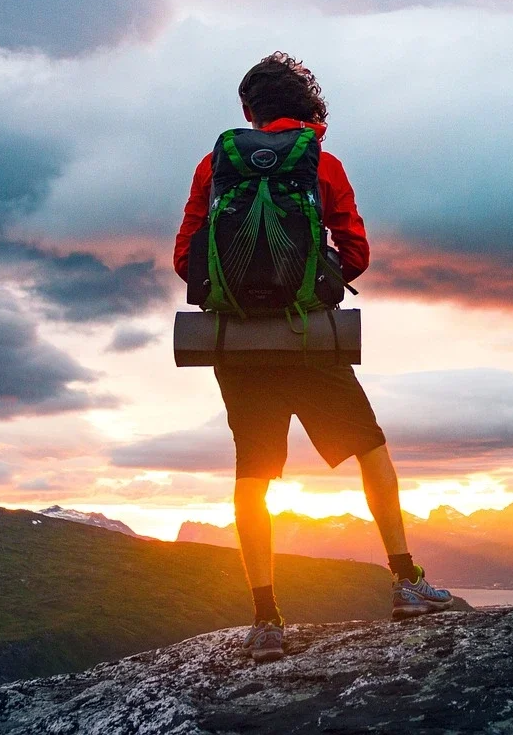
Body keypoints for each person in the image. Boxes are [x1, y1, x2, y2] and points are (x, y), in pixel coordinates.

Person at [174, 52, 453, 662]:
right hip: (309, 340)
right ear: (307, 108)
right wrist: (315, 285)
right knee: (369, 448)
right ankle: (406, 583)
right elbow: (355, 249)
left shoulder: (213, 166)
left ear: (249, 111)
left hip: (241, 345)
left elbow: (184, 258)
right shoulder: (322, 165)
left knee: (254, 475)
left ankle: (266, 619)